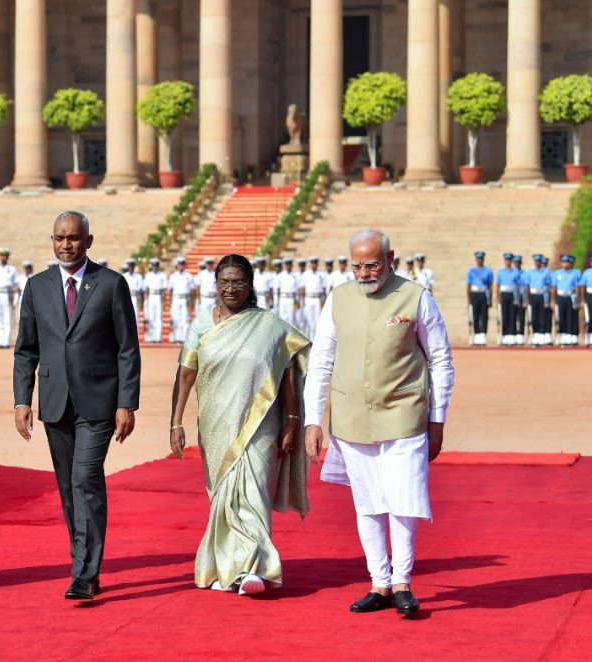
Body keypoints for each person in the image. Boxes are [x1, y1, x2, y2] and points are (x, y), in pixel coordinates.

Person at [305, 229, 454, 615]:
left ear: (390, 259)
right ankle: (379, 583)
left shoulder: (416, 297)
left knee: (404, 498)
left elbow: (440, 359)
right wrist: (312, 420)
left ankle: (403, 581)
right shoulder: (337, 298)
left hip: (404, 415)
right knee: (368, 504)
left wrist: (437, 419)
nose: (364, 273)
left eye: (371, 264)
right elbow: (321, 361)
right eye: (356, 265)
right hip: (352, 417)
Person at [13, 210, 141, 601]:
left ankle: (84, 573)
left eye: (72, 238)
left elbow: (126, 349)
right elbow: (26, 350)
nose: (65, 245)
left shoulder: (111, 284)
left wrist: (126, 403)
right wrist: (22, 399)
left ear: (89, 241)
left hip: (98, 403)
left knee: (85, 479)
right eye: (59, 238)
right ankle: (83, 560)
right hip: (55, 403)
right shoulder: (36, 287)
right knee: (69, 486)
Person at [170, 254, 310, 596]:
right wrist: (175, 422)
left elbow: (289, 370)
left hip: (261, 424)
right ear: (216, 285)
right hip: (216, 424)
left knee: (253, 494)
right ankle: (225, 568)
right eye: (225, 282)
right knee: (223, 499)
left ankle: (253, 567)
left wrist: (292, 421)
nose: (231, 288)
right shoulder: (202, 324)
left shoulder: (270, 326)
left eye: (239, 282)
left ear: (251, 285)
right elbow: (186, 374)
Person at [0, 247, 18, 348]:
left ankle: (6, 341)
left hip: (7, 294)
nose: (3, 258)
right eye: (1, 256)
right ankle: (0, 340)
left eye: (4, 256)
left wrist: (15, 299)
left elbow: (15, 285)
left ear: (7, 257)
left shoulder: (12, 269)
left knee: (7, 317)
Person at [553, 255, 581, 346]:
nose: (565, 264)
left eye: (567, 262)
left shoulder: (574, 273)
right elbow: (554, 287)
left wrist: (577, 299)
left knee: (570, 316)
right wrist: (553, 300)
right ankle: (562, 336)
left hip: (570, 297)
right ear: (561, 263)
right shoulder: (557, 273)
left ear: (569, 263)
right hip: (560, 296)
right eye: (564, 262)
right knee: (561, 317)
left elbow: (577, 287)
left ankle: (569, 336)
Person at [466, 251, 493, 346]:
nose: (479, 261)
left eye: (481, 259)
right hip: (474, 294)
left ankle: (483, 335)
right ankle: (477, 334)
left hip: (483, 293)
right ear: (476, 260)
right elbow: (468, 285)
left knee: (484, 315)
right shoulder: (471, 271)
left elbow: (490, 285)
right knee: (475, 315)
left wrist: (490, 298)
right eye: (478, 259)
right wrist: (469, 298)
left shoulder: (488, 270)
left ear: (483, 260)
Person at [300, 256, 328, 339]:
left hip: (317, 299)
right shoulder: (306, 274)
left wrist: (323, 302)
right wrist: (302, 302)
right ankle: (310, 338)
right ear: (310, 264)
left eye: (315, 263)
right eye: (312, 263)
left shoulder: (321, 274)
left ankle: (317, 339)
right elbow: (302, 289)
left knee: (317, 320)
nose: (313, 265)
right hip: (308, 299)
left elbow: (323, 290)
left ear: (317, 264)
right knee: (309, 320)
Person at [168, 257, 194, 343]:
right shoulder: (173, 276)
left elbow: (192, 290)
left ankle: (184, 338)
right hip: (176, 299)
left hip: (185, 299)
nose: (181, 266)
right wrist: (170, 301)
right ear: (177, 265)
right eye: (179, 265)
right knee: (176, 318)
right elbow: (170, 290)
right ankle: (176, 338)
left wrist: (192, 301)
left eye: (182, 265)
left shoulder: (188, 276)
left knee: (185, 319)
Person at [496, 253, 520, 345]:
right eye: (506, 260)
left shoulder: (515, 271)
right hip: (504, 293)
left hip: (512, 294)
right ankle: (505, 335)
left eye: (509, 260)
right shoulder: (500, 271)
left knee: (512, 315)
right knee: (504, 315)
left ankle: (512, 335)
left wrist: (517, 298)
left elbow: (518, 286)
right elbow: (497, 285)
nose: (508, 262)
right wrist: (497, 298)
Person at [525, 254, 549, 346]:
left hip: (542, 295)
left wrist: (548, 299)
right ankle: (535, 335)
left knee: (542, 316)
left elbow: (548, 286)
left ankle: (541, 335)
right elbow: (527, 286)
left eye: (539, 261)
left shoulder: (545, 272)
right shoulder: (530, 272)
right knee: (534, 316)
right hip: (533, 295)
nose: (537, 263)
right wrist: (527, 299)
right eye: (536, 261)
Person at [143, 258, 167, 343]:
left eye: (156, 266)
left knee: (158, 317)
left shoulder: (162, 275)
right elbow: (146, 288)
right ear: (151, 266)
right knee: (151, 317)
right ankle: (151, 337)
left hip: (158, 296)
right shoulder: (148, 275)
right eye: (153, 266)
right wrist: (146, 299)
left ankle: (158, 337)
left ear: (158, 266)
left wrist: (163, 299)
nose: (155, 267)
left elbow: (164, 288)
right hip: (151, 296)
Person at [275, 257, 301, 330]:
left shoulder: (296, 276)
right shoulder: (280, 275)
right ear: (285, 265)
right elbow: (278, 289)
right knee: (283, 318)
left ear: (291, 265)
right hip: (283, 298)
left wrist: (297, 301)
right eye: (286, 264)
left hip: (291, 299)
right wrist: (278, 301)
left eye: (289, 264)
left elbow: (298, 290)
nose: (288, 266)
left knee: (292, 319)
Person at [122, 258, 144, 333]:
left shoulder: (138, 277)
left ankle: (135, 335)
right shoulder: (124, 276)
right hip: (126, 297)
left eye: (132, 266)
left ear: (134, 267)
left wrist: (141, 301)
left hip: (134, 297)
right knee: (125, 316)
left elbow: (140, 290)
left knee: (135, 316)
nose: (131, 268)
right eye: (130, 266)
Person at [512, 254, 526, 345]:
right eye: (516, 262)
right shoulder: (511, 272)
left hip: (522, 295)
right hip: (512, 296)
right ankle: (512, 334)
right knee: (512, 316)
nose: (517, 264)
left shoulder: (524, 273)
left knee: (521, 316)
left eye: (519, 262)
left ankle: (520, 335)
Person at [582, 257, 592, 346]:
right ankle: (587, 338)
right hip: (589, 295)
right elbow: (583, 287)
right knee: (589, 318)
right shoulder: (587, 272)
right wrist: (583, 299)